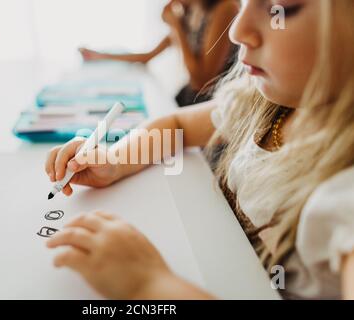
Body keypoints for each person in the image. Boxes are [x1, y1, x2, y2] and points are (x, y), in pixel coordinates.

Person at [45, 0, 354, 299]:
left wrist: (149, 285)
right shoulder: (264, 103)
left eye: (280, 8)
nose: (237, 31)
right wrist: (114, 160)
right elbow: (177, 125)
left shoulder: (344, 198)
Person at [79, 0, 239, 107]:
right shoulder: (191, 10)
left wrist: (176, 27)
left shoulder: (226, 8)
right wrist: (100, 55)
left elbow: (201, 82)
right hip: (188, 98)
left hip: (212, 105)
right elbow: (147, 57)